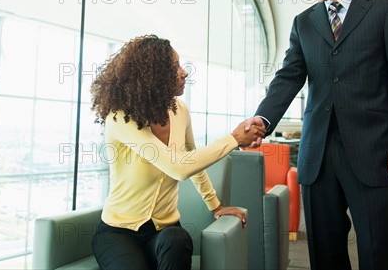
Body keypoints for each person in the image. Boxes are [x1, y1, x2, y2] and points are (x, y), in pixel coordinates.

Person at [250, 0, 388, 270]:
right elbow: (289, 77)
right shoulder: (304, 23)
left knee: (378, 250)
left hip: (373, 151)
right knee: (324, 252)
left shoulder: (386, 9)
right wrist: (263, 118)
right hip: (317, 156)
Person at [90, 34, 264, 270]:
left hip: (165, 232)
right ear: (152, 76)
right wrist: (233, 139)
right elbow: (179, 167)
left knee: (177, 240)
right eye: (174, 68)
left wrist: (216, 206)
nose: (184, 72)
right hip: (117, 234)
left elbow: (192, 159)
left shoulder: (180, 110)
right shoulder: (121, 116)